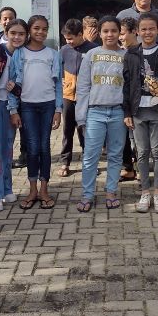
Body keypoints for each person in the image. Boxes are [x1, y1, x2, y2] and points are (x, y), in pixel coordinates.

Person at [123, 13, 158, 214]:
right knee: (142, 152)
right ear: (137, 31)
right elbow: (127, 85)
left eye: (151, 28)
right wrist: (127, 111)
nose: (147, 32)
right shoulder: (131, 54)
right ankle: (145, 191)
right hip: (138, 111)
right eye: (143, 29)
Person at [8, 15, 62, 210]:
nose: (40, 32)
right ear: (30, 30)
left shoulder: (53, 54)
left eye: (44, 29)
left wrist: (58, 109)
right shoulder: (19, 54)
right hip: (27, 106)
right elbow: (12, 84)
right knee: (31, 147)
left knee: (45, 147)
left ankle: (44, 189)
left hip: (47, 106)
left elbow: (58, 85)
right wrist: (13, 110)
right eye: (36, 28)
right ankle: (32, 189)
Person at [75, 16, 127, 212]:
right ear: (100, 33)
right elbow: (83, 87)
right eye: (105, 31)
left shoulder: (126, 55)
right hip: (95, 112)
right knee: (90, 156)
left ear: (119, 32)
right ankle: (87, 194)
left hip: (118, 112)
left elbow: (129, 87)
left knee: (115, 155)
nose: (110, 35)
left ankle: (111, 191)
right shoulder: (91, 54)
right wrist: (81, 116)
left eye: (114, 30)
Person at [0, 18, 28, 211]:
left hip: (11, 107)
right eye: (13, 33)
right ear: (6, 33)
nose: (17, 37)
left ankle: (6, 187)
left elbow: (24, 85)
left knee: (8, 148)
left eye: (21, 34)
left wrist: (15, 88)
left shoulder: (24, 54)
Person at [57, 19, 98, 178]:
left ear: (81, 34)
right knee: (67, 130)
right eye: (66, 39)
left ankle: (89, 162)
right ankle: (64, 162)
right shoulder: (64, 50)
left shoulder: (94, 49)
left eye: (71, 38)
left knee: (85, 131)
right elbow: (59, 68)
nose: (68, 42)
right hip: (68, 96)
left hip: (86, 97)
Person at [118, 17, 139, 180]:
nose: (120, 37)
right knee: (123, 138)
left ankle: (140, 169)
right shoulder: (119, 52)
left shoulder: (141, 52)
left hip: (137, 102)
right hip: (119, 101)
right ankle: (128, 167)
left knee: (138, 139)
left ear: (134, 32)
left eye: (123, 33)